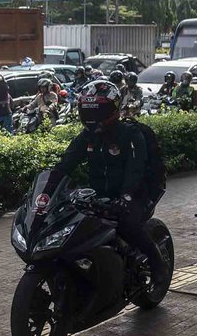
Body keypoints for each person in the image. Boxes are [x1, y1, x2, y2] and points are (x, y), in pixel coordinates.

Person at [39, 80, 169, 288]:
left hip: (136, 193)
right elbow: (64, 165)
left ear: (111, 109)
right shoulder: (86, 137)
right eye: (88, 110)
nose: (92, 117)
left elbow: (136, 169)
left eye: (97, 110)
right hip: (100, 195)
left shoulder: (130, 134)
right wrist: (44, 195)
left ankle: (158, 266)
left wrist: (126, 196)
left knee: (128, 225)